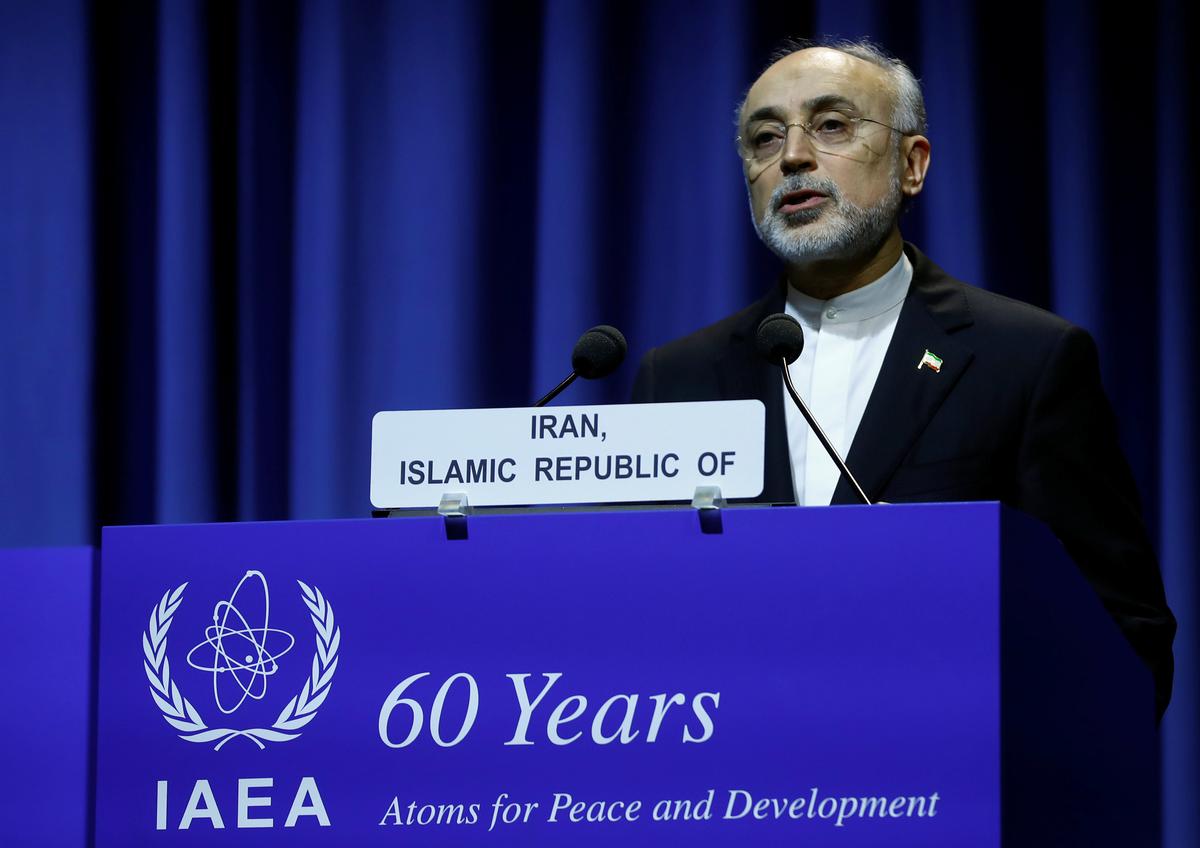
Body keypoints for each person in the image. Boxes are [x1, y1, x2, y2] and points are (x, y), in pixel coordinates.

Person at [631, 39, 1176, 718]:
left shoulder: (1026, 358)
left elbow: (1122, 634)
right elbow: (638, 619)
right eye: (764, 137)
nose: (793, 156)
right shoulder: (679, 376)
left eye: (831, 126)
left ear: (912, 165)